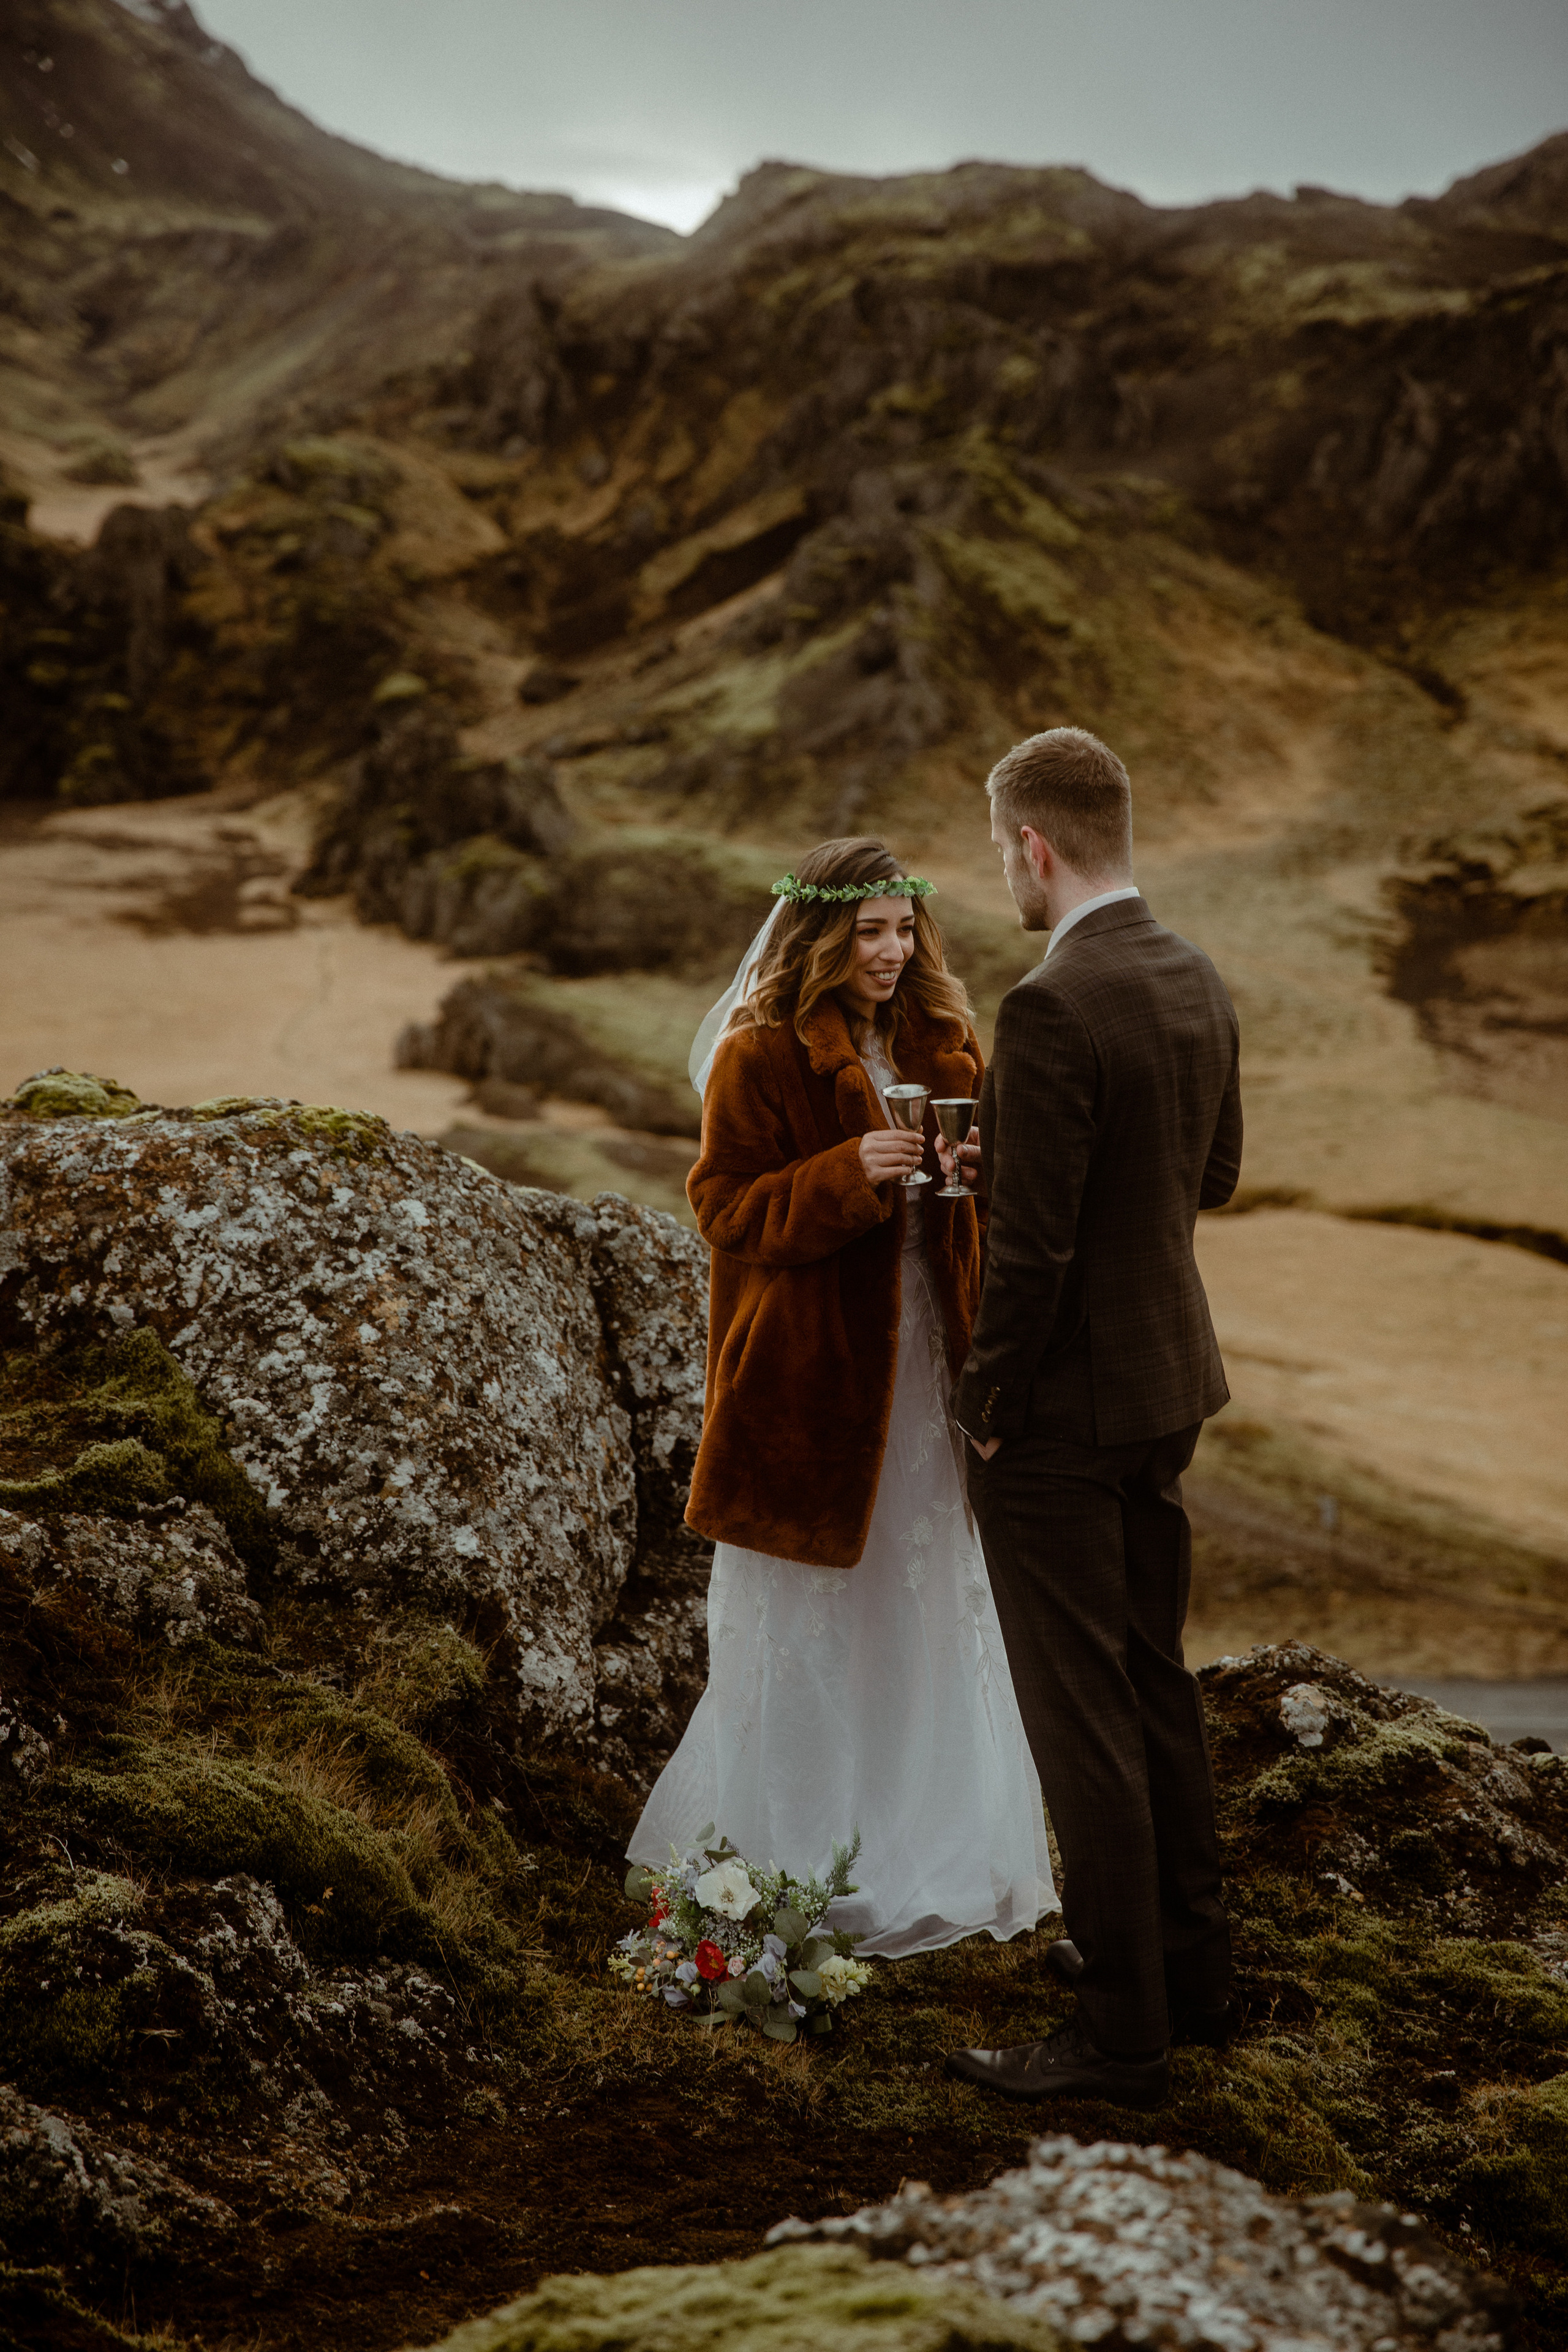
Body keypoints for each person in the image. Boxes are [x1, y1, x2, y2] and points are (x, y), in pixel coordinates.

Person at [628, 835, 1056, 1958]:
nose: (892, 950)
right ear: (821, 937)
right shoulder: (758, 1055)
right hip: (808, 1389)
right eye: (869, 932)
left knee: (922, 1609)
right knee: (816, 1620)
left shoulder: (949, 1044)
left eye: (904, 928)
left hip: (928, 1380)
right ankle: (803, 1852)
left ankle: (928, 1851)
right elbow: (723, 1207)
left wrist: (975, 1184)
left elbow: (985, 1213)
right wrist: (839, 1178)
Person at [941, 727, 1242, 2110]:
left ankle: (1123, 2039)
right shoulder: (1189, 973)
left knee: (1081, 1720)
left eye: (999, 848)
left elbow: (1032, 1257)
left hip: (1059, 1414)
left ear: (1032, 846)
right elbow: (1213, 1173)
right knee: (1149, 1678)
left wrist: (985, 1403)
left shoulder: (1050, 1005)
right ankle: (1189, 1970)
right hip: (1165, 1385)